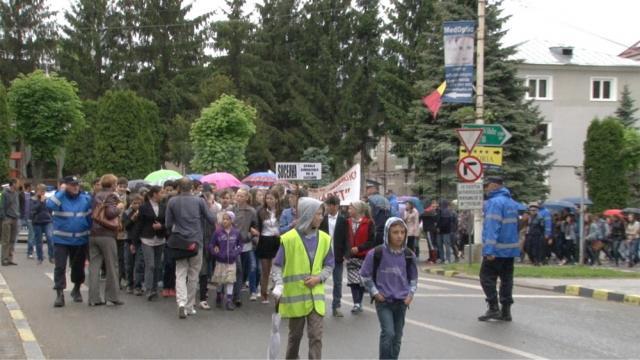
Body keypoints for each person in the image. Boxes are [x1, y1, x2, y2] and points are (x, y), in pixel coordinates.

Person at [272, 197, 334, 360]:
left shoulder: (325, 239)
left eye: (322, 214)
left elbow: (329, 265)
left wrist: (318, 278)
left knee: (316, 337)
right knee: (295, 337)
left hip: (316, 299)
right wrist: (278, 285)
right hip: (296, 299)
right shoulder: (289, 238)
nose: (321, 217)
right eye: (318, 214)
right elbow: (277, 265)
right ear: (308, 214)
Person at [360, 217, 417, 360]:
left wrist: (410, 295)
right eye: (395, 232)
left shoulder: (409, 255)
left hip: (401, 302)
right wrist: (375, 293)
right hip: (384, 302)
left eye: (402, 232)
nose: (399, 236)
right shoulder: (376, 253)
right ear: (387, 233)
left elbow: (413, 278)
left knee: (397, 337)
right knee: (388, 333)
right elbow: (365, 275)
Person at [165, 178, 216, 319]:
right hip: (196, 240)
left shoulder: (172, 201)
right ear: (192, 188)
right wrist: (209, 206)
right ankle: (189, 305)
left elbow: (168, 224)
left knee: (180, 273)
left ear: (179, 188)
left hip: (179, 241)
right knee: (193, 274)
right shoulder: (199, 201)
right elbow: (211, 219)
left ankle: (180, 303)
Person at [478, 177, 519, 322]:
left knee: (486, 277)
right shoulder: (512, 203)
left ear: (494, 185)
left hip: (496, 250)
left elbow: (492, 227)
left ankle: (493, 307)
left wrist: (489, 250)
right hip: (510, 250)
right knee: (507, 279)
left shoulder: (494, 203)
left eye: (487, 186)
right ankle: (506, 311)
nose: (485, 189)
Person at [47, 176, 92, 307]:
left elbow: (89, 218)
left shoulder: (85, 199)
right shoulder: (59, 198)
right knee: (60, 267)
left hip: (80, 239)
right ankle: (59, 294)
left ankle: (76, 289)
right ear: (65, 186)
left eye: (77, 184)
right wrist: (61, 191)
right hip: (61, 240)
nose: (76, 187)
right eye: (72, 185)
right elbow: (49, 205)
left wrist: (90, 235)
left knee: (78, 268)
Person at [88, 174, 125, 307]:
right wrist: (119, 208)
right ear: (113, 184)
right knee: (112, 266)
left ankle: (94, 298)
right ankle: (112, 297)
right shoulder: (112, 196)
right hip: (107, 234)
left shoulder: (95, 195)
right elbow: (110, 214)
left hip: (93, 234)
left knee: (94, 266)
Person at [319, 195, 349, 317]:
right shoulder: (323, 219)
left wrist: (346, 254)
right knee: (320, 280)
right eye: (327, 205)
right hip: (324, 255)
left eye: (330, 205)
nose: (329, 207)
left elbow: (347, 238)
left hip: (337, 255)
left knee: (337, 282)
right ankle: (319, 305)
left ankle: (336, 306)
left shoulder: (343, 220)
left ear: (336, 206)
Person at [135, 186, 166, 301]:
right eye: (161, 193)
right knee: (150, 264)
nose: (163, 195)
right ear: (154, 194)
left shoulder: (164, 206)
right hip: (147, 238)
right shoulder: (144, 207)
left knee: (158, 265)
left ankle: (154, 288)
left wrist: (161, 226)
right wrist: (134, 241)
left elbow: (167, 222)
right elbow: (139, 224)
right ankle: (148, 289)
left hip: (160, 239)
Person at [346, 200, 376, 314]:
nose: (349, 210)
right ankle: (356, 303)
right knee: (353, 281)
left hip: (365, 257)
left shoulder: (369, 223)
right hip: (352, 257)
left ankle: (360, 301)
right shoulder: (347, 222)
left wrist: (359, 248)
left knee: (361, 281)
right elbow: (345, 239)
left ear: (358, 210)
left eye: (351, 208)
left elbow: (371, 240)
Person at [209, 211, 242, 310]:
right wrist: (215, 252)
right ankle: (219, 295)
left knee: (230, 281)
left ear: (232, 221)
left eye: (227, 219)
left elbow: (240, 245)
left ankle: (229, 301)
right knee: (220, 281)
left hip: (231, 261)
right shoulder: (218, 232)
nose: (225, 221)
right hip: (220, 261)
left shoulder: (236, 232)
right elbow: (211, 244)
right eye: (223, 219)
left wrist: (236, 252)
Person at [232, 188, 259, 304]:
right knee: (237, 269)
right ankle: (235, 295)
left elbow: (256, 227)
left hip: (246, 243)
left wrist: (250, 235)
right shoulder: (231, 209)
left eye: (241, 196)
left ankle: (241, 289)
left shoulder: (251, 211)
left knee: (245, 267)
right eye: (237, 195)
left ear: (247, 198)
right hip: (232, 243)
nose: (239, 198)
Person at [256, 189, 282, 304]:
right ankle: (263, 293)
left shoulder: (281, 211)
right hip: (265, 240)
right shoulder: (261, 211)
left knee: (277, 269)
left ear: (277, 199)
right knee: (265, 270)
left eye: (271, 198)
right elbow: (256, 226)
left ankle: (277, 291)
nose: (269, 200)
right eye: (267, 198)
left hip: (277, 240)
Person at [122, 194, 143, 294]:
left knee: (139, 264)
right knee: (129, 264)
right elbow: (125, 226)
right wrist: (132, 219)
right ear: (130, 204)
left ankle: (137, 285)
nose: (137, 205)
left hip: (140, 241)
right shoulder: (127, 213)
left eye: (139, 203)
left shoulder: (143, 213)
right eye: (135, 203)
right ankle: (129, 283)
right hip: (129, 240)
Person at [30, 184, 54, 264]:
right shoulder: (33, 199)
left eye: (44, 190)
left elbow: (50, 209)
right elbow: (33, 209)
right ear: (37, 191)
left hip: (47, 221)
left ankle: (52, 256)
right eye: (41, 190)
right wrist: (40, 202)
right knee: (38, 241)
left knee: (50, 238)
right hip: (37, 222)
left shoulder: (47, 199)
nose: (42, 192)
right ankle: (40, 257)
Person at [1, 179, 20, 266]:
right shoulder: (5, 193)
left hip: (15, 218)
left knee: (12, 240)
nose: (19, 185)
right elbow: (2, 206)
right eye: (17, 183)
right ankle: (4, 259)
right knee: (6, 240)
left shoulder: (16, 193)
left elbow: (17, 205)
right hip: (8, 218)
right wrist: (4, 217)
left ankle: (10, 258)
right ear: (13, 184)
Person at [21, 182, 35, 260]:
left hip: (30, 218)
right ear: (28, 187)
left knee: (31, 236)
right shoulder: (20, 195)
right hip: (21, 217)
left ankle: (30, 252)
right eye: (31, 186)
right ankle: (10, 252)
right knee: (14, 236)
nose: (32, 188)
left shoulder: (33, 195)